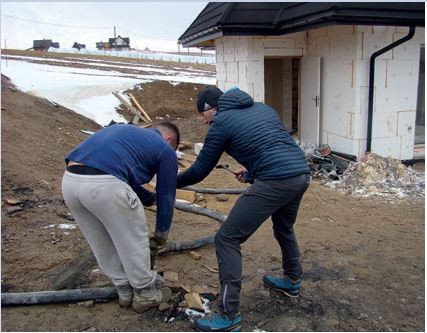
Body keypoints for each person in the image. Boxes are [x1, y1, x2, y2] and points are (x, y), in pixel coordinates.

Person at [176, 87, 311, 331]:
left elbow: (199, 171)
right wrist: (251, 174)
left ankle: (229, 317)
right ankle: (292, 280)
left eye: (202, 114)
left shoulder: (221, 123)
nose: (202, 120)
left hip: (276, 179)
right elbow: (272, 147)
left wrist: (170, 182)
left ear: (211, 108)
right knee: (284, 227)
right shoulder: (263, 109)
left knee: (227, 238)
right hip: (300, 173)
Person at [62, 121, 180, 313]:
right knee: (132, 238)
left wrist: (148, 199)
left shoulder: (127, 135)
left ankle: (124, 289)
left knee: (102, 240)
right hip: (104, 186)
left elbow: (123, 173)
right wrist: (161, 234)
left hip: (70, 182)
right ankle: (145, 293)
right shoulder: (164, 149)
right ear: (169, 140)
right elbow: (167, 196)